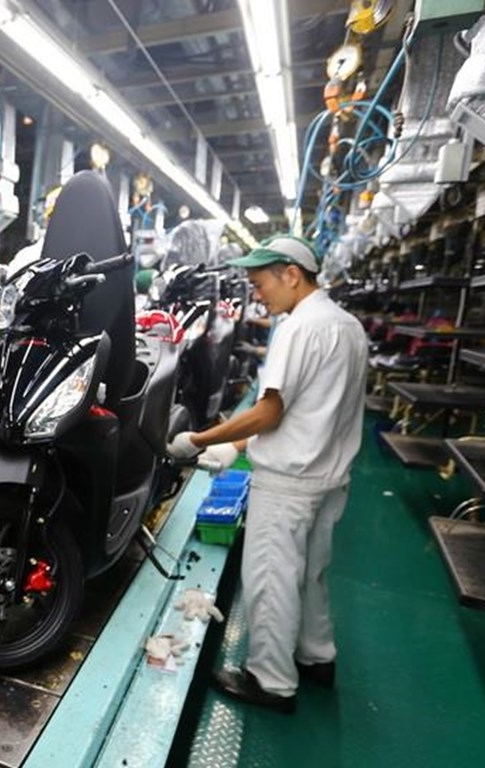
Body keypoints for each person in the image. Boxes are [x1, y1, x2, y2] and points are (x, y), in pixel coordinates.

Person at [168, 234, 368, 714]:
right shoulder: (348, 326)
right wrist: (236, 445)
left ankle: (271, 681)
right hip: (329, 477)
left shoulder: (299, 328)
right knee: (310, 575)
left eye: (261, 283)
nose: (258, 294)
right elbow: (311, 410)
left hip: (288, 484)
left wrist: (198, 440)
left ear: (291, 274)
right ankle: (317, 659)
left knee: (272, 579)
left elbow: (270, 411)